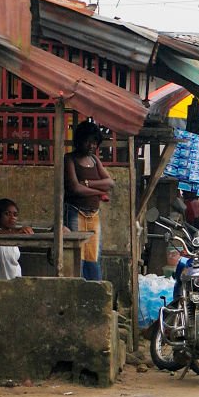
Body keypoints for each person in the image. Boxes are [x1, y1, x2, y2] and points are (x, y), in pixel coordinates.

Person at [64, 120, 114, 280]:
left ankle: (94, 288)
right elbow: (74, 188)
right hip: (75, 212)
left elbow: (110, 183)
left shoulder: (94, 160)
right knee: (77, 254)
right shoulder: (69, 159)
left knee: (93, 255)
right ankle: (78, 289)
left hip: (93, 214)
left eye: (95, 143)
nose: (92, 146)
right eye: (88, 141)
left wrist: (88, 184)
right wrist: (99, 192)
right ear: (79, 140)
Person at [0, 198, 33, 280]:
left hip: (16, 284)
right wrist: (16, 232)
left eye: (15, 214)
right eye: (7, 214)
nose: (12, 218)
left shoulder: (14, 236)